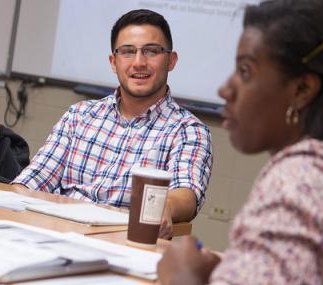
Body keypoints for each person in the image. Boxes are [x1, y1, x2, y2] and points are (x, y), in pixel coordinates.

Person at [158, 0, 323, 285]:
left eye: (245, 71)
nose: (225, 89)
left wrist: (184, 279)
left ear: (302, 89)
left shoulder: (303, 177)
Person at [12, 9, 212, 239]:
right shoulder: (79, 115)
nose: (139, 62)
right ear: (113, 62)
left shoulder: (188, 130)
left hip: (120, 244)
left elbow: (186, 194)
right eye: (128, 52)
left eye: (151, 51)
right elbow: (34, 179)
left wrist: (165, 207)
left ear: (171, 60)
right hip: (52, 234)